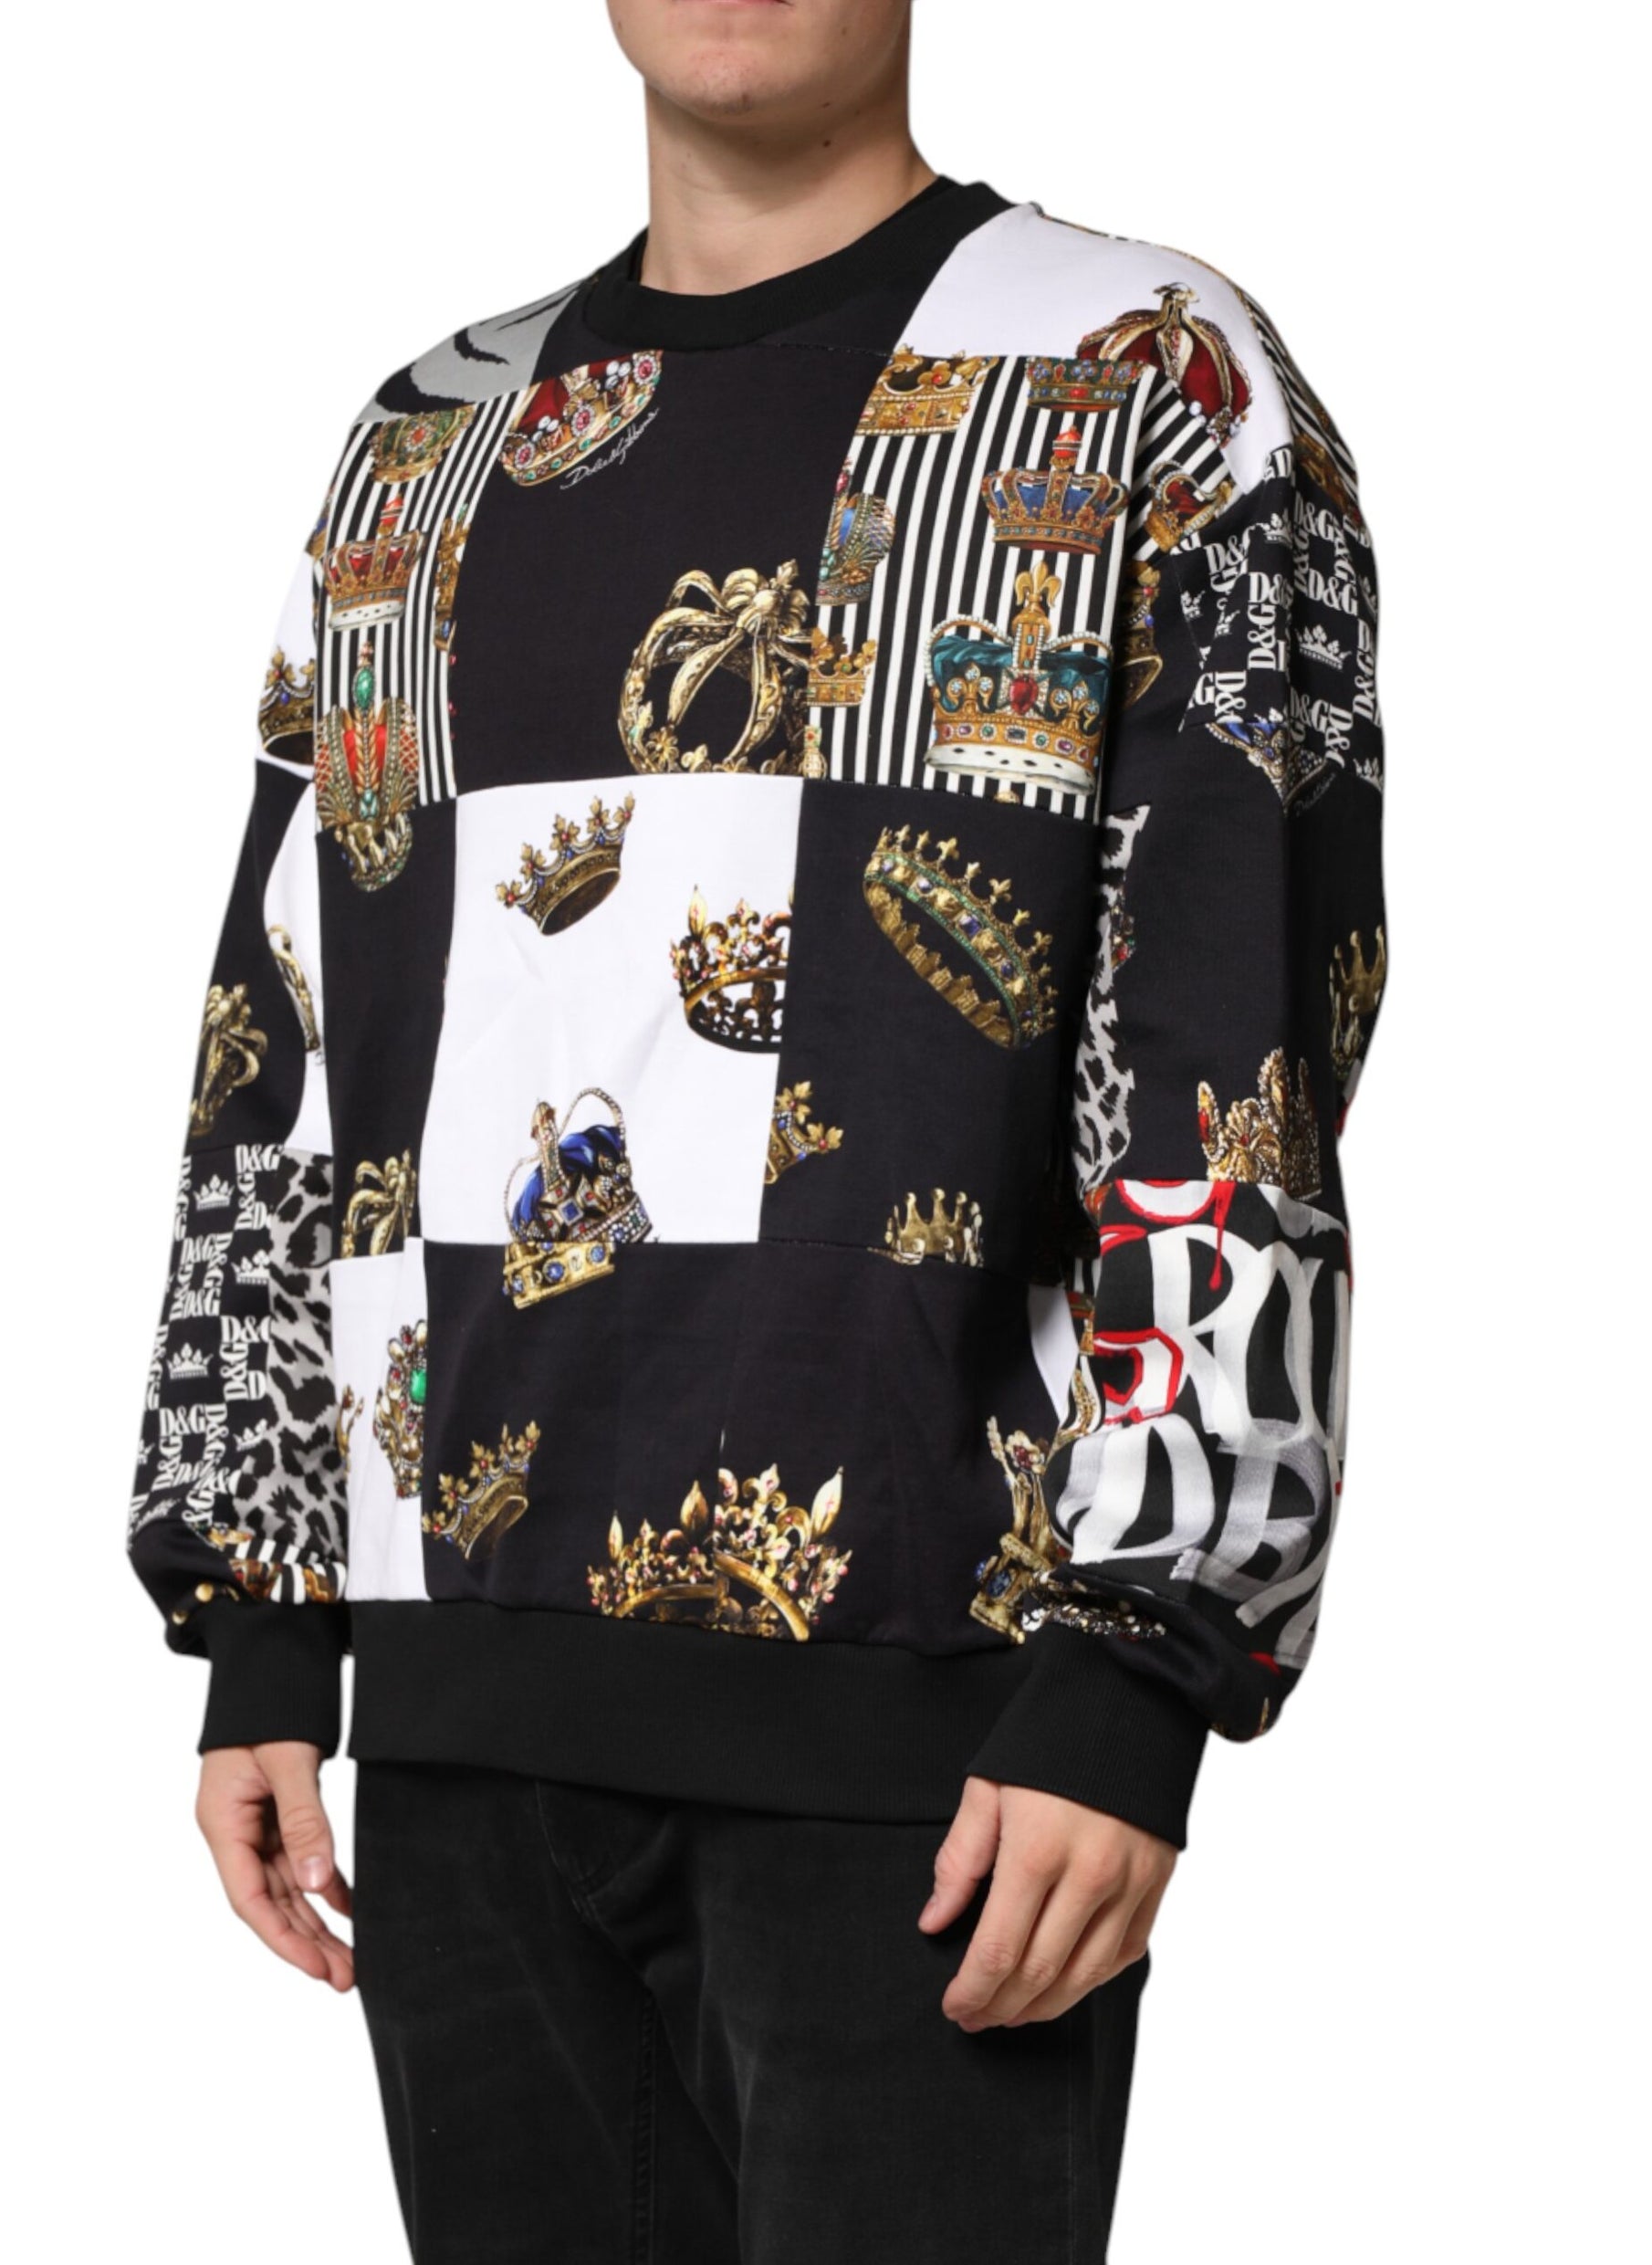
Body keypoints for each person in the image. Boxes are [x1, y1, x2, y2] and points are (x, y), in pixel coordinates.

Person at [126, 1, 1385, 2255]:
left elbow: (1240, 1039)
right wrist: (266, 1607)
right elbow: (290, 1028)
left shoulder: (1143, 379)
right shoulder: (427, 443)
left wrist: (1141, 1665)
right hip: (463, 1708)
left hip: (931, 1722)